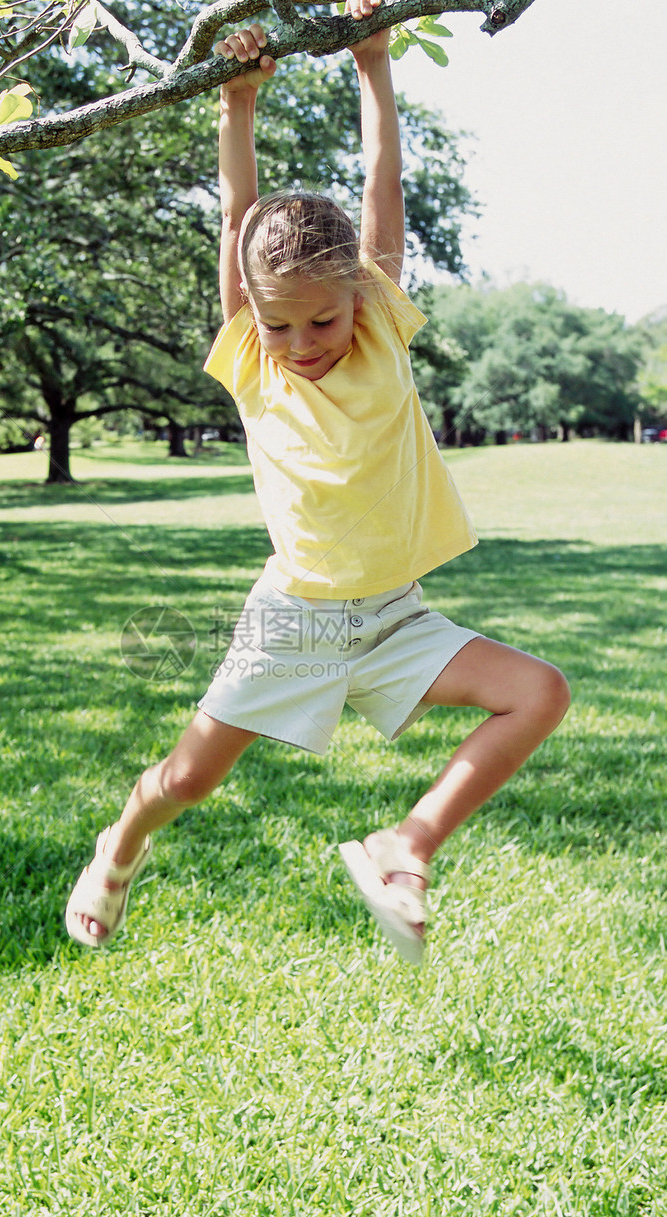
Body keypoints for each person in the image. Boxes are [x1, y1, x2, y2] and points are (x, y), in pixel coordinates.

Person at [65, 0, 570, 964]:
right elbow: (235, 217)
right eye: (281, 325)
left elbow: (384, 196)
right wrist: (236, 107)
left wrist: (373, 63)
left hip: (394, 615)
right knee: (188, 781)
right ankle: (117, 849)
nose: (301, 345)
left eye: (322, 323)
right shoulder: (254, 359)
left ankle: (406, 845)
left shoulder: (380, 328)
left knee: (539, 693)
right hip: (294, 619)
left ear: (359, 302)